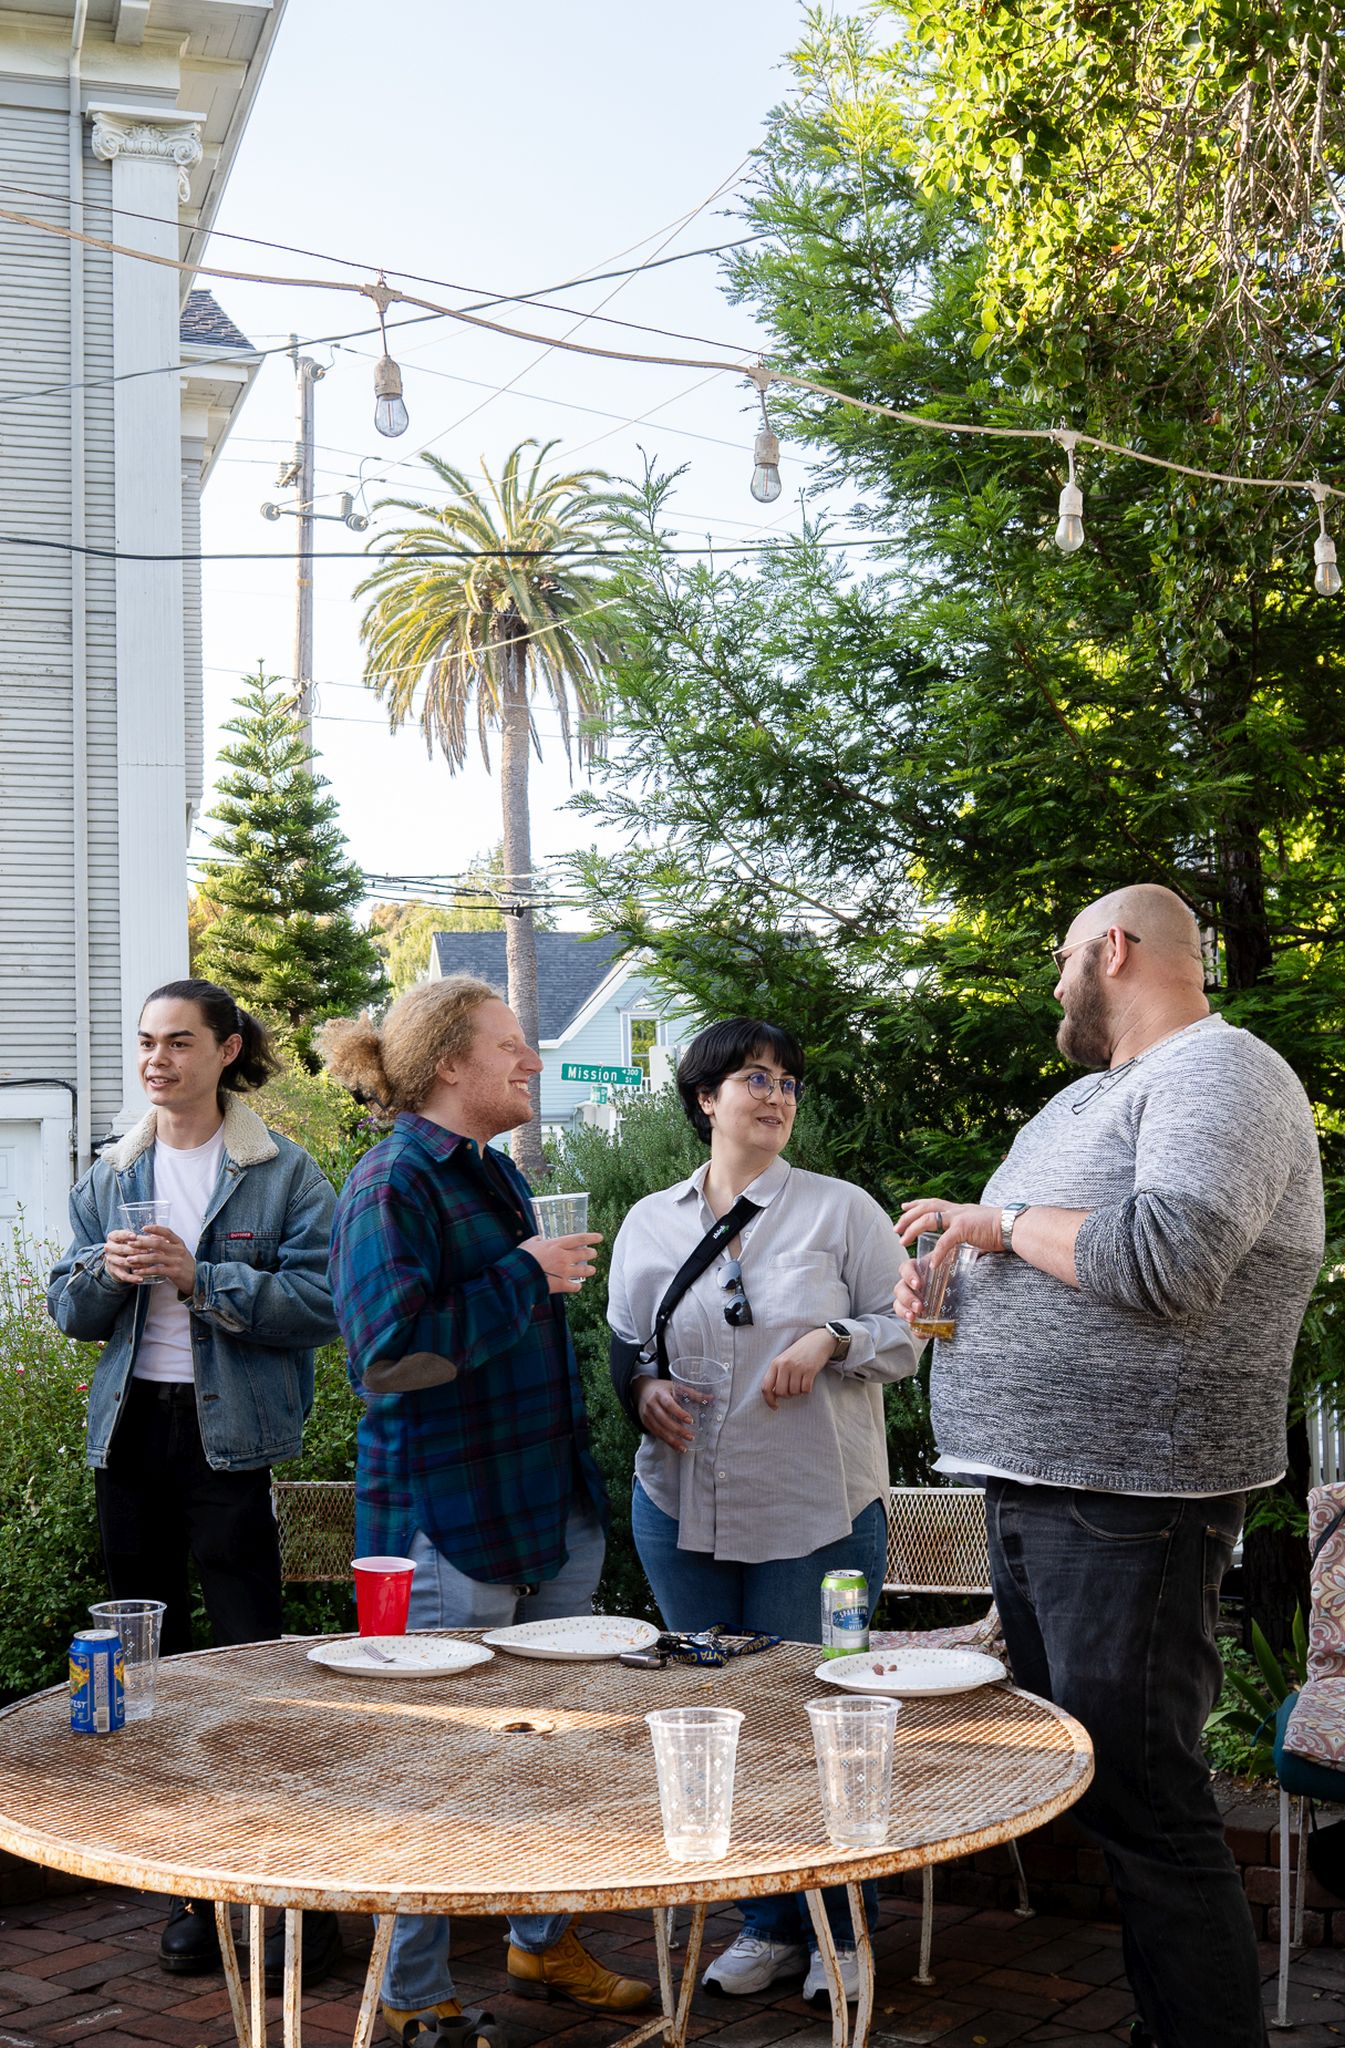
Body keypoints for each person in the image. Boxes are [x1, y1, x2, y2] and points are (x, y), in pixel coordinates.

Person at [894, 883, 1325, 2048]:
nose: (1052, 981)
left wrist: (995, 1224)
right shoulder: (1085, 1099)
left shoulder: (1220, 1071)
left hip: (1134, 1496)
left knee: (1147, 1798)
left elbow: (1165, 1257)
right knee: (1106, 1788)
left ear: (1114, 949)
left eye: (1060, 956)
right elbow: (1048, 1247)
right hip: (1045, 1487)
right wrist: (953, 1272)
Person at [320, 976, 652, 2046]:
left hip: (543, 1509)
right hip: (447, 1523)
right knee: (435, 1760)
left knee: (550, 1748)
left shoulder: (493, 1171)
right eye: (511, 1046)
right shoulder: (391, 1180)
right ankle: (413, 1991)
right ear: (449, 1063)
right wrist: (523, 1274)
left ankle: (539, 1940)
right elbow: (386, 1355)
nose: (532, 1062)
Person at [608, 1018, 916, 2005]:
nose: (775, 1094)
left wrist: (832, 1337)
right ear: (705, 1098)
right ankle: (769, 1925)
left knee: (818, 1719)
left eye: (787, 1081)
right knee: (722, 1722)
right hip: (678, 1506)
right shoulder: (649, 1221)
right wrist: (641, 1391)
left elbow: (907, 1334)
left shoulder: (841, 1210)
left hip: (814, 1509)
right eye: (753, 1077)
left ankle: (840, 1930)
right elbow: (627, 1344)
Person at [47, 978, 343, 1984]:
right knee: (143, 1667)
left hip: (232, 1441)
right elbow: (69, 1311)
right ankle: (192, 1890)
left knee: (252, 1664)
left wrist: (198, 1277)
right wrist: (108, 1274)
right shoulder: (111, 1171)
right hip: (132, 1435)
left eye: (178, 1041)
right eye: (146, 1042)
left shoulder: (282, 1171)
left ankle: (287, 1895)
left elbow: (322, 1304)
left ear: (226, 1051)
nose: (156, 1059)